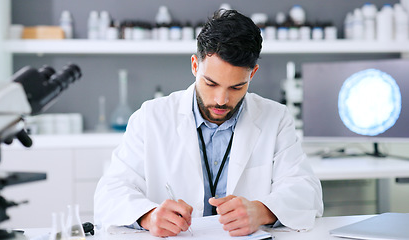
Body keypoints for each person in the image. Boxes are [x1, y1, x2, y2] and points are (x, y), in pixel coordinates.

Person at [94, 9, 323, 237]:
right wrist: (149, 216)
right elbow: (109, 193)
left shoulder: (276, 118)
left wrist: (262, 211)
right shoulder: (151, 117)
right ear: (195, 65)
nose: (221, 100)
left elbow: (307, 192)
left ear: (252, 74)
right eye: (211, 83)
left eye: (236, 87)